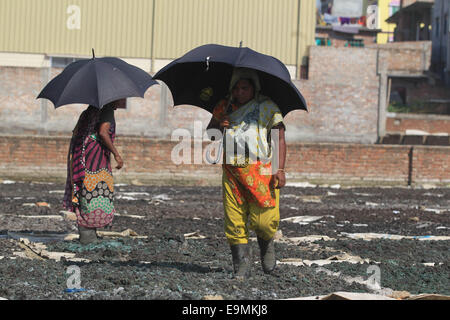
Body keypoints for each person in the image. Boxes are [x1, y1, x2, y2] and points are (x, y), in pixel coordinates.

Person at [206, 68, 287, 279]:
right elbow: (211, 133)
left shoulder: (267, 107)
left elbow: (279, 138)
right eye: (236, 88)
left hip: (261, 171)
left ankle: (266, 246)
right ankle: (241, 266)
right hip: (232, 171)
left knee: (264, 220)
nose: (240, 92)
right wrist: (219, 125)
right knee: (234, 219)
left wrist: (280, 169)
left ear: (254, 88)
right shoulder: (223, 107)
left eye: (245, 88)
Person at [63, 99, 125, 245]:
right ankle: (88, 235)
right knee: (98, 191)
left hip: (85, 155)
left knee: (86, 190)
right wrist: (116, 154)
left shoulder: (90, 111)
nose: (123, 101)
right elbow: (103, 133)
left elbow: (76, 131)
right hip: (96, 157)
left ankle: (88, 233)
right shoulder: (107, 110)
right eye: (122, 98)